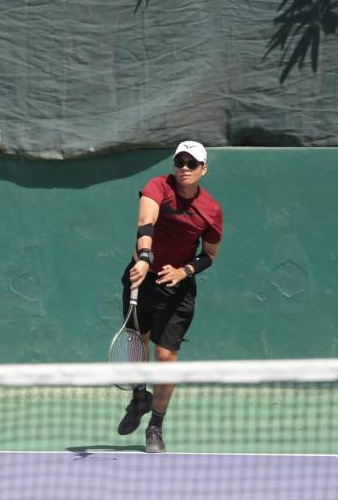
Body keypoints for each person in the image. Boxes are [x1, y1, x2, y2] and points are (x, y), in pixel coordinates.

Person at [118, 140, 223, 453]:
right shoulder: (158, 186)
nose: (185, 169)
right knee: (138, 341)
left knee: (166, 359)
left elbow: (209, 255)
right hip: (142, 277)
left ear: (204, 169)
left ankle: (155, 427)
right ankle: (140, 396)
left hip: (178, 289)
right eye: (180, 162)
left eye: (192, 164)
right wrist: (144, 258)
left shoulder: (211, 210)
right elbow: (145, 223)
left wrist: (184, 271)